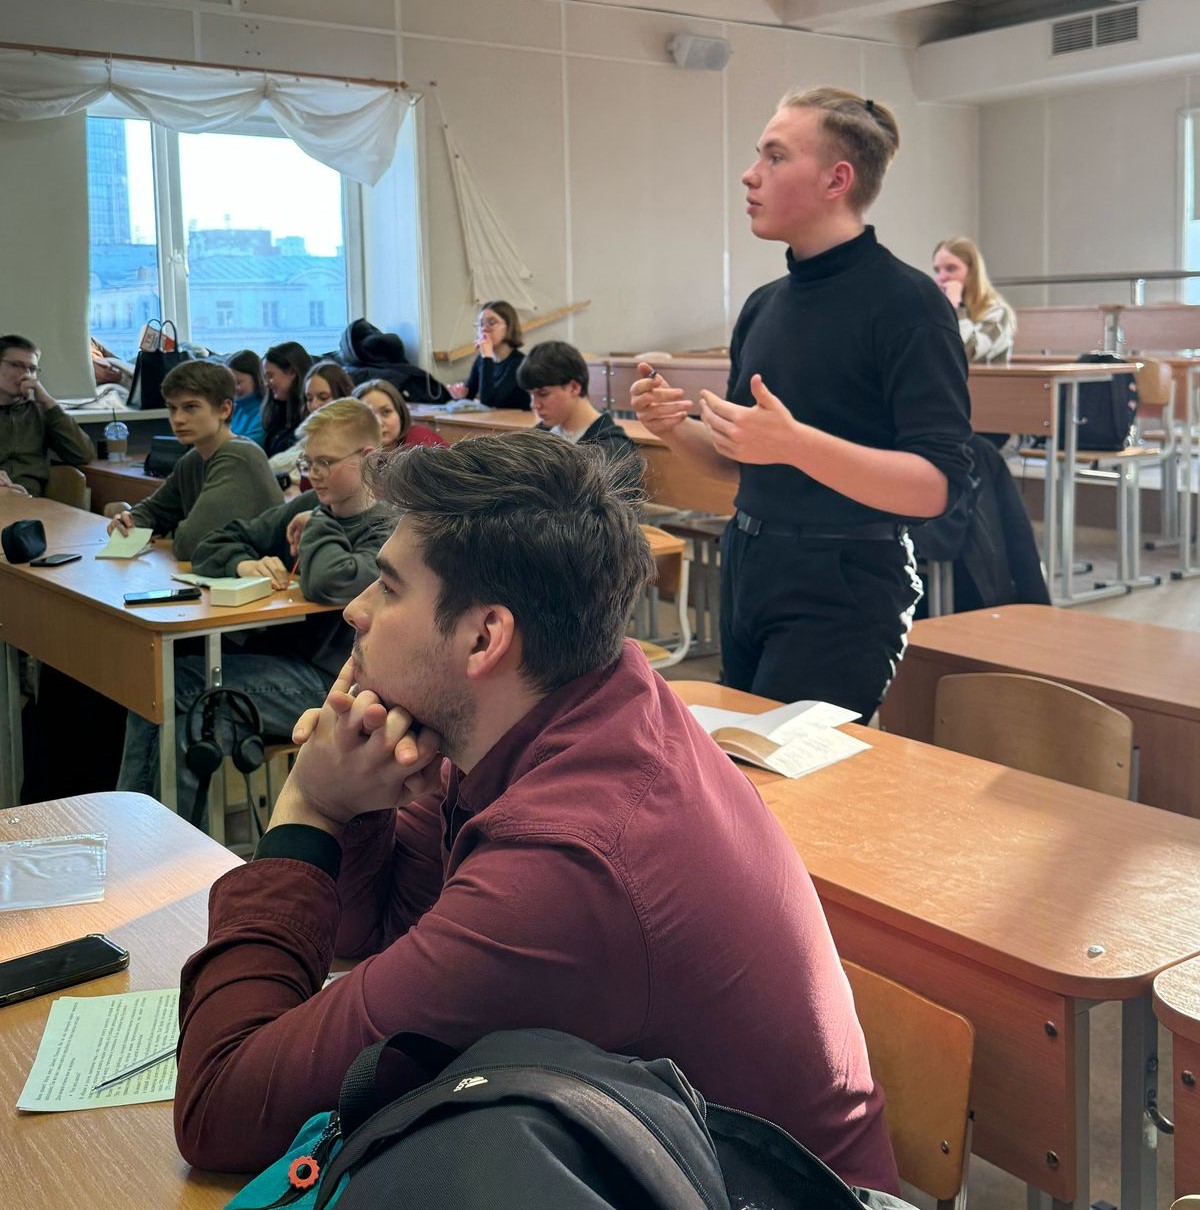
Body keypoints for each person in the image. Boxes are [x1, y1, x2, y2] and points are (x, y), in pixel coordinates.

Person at [172, 431, 899, 1195]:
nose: (355, 610)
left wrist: (310, 809)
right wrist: (358, 803)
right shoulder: (567, 698)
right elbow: (374, 926)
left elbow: (219, 1110)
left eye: (387, 587)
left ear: (485, 637)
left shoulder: (569, 861)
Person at [632, 87, 973, 721]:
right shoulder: (765, 304)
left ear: (836, 180)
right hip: (749, 561)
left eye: (775, 156)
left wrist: (795, 443)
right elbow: (742, 462)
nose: (750, 173)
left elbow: (936, 487)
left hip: (845, 577)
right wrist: (674, 428)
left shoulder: (908, 304)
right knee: (740, 760)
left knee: (793, 772)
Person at [116, 399, 393, 822]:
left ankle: (153, 836)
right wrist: (244, 563)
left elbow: (329, 579)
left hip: (337, 683)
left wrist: (319, 521)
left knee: (183, 694)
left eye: (325, 462)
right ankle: (141, 831)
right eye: (308, 462)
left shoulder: (387, 528)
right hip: (282, 663)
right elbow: (213, 544)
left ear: (368, 458)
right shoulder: (308, 505)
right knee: (160, 685)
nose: (313, 474)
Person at [103, 361, 283, 562]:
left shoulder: (239, 456)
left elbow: (193, 543)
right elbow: (153, 511)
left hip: (267, 576)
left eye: (190, 407)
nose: (178, 419)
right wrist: (127, 522)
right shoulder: (193, 459)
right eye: (172, 408)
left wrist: (171, 533)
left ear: (224, 409)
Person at [518, 340, 642, 486]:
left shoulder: (615, 449)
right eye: (531, 395)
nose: (534, 404)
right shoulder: (537, 436)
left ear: (574, 388)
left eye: (543, 394)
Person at [0, 334, 94, 497]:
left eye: (32, 369)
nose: (25, 374)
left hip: (30, 499)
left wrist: (47, 401)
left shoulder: (40, 412)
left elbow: (82, 455)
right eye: (16, 365)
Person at [932, 236, 1016, 365]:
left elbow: (967, 353)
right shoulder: (938, 309)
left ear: (972, 272)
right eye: (937, 270)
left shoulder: (998, 312)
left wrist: (956, 307)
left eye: (951, 268)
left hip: (985, 378)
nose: (941, 277)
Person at [269, 360, 357, 481]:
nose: (314, 405)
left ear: (344, 397)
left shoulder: (349, 441)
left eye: (323, 397)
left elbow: (298, 479)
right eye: (309, 399)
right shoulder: (313, 434)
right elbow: (274, 464)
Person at [447, 300, 529, 410]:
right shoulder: (481, 360)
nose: (484, 329)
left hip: (517, 420)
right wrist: (460, 395)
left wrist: (487, 356)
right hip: (493, 419)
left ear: (509, 326)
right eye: (481, 324)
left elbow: (489, 402)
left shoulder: (519, 363)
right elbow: (469, 396)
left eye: (492, 323)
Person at [352, 378, 448, 451]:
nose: (379, 423)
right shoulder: (351, 451)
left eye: (386, 412)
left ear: (400, 413)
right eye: (369, 415)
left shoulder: (422, 445)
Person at [261, 341, 312, 457]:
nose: (266, 383)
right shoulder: (277, 412)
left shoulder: (310, 416)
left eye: (270, 376)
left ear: (292, 372)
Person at [225, 350, 267, 447]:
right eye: (230, 383)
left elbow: (249, 447)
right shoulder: (233, 407)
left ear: (257, 379)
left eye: (238, 382)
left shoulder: (264, 412)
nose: (233, 388)